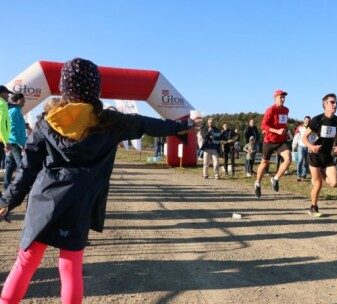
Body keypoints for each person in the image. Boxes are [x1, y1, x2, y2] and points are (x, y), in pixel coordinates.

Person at [0, 57, 202, 303]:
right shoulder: (111, 122)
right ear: (95, 88)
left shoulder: (46, 123)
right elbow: (150, 125)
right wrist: (185, 125)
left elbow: (27, 168)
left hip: (44, 200)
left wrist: (8, 199)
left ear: (65, 88)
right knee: (70, 267)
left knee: (26, 262)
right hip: (80, 202)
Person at [303, 93, 337, 215]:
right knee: (318, 184)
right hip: (314, 156)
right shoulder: (317, 120)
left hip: (327, 156)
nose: (335, 105)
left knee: (335, 183)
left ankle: (319, 173)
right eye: (332, 102)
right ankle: (313, 207)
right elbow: (304, 137)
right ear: (325, 104)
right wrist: (312, 147)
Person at [254, 90, 291, 197]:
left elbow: (283, 123)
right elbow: (263, 126)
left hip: (281, 141)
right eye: (281, 97)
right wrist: (276, 131)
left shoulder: (286, 110)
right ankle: (257, 183)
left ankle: (275, 178)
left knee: (288, 159)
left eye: (284, 97)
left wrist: (285, 131)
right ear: (275, 98)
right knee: (264, 163)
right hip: (269, 141)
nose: (283, 99)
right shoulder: (270, 110)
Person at [4, 93, 27, 190]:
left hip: (13, 142)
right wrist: (20, 143)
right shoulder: (15, 111)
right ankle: (21, 187)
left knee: (10, 167)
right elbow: (12, 128)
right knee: (21, 166)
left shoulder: (14, 111)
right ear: (17, 100)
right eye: (23, 100)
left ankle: (7, 188)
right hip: (15, 143)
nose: (24, 102)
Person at [293, 116, 314, 181]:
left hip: (308, 147)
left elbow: (313, 138)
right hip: (301, 146)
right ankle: (298, 175)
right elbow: (296, 137)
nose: (307, 122)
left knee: (307, 161)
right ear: (304, 121)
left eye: (308, 121)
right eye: (306, 120)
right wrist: (294, 146)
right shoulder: (300, 128)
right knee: (300, 160)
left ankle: (304, 174)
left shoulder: (311, 128)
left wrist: (312, 146)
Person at [0, 85, 14, 174]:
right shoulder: (2, 105)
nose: (8, 96)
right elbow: (1, 125)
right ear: (2, 94)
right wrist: (6, 142)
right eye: (7, 94)